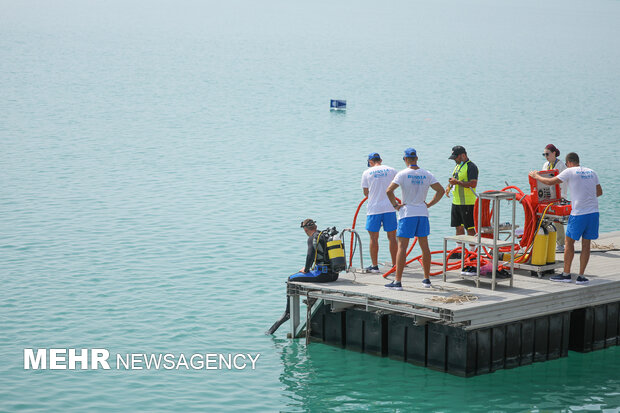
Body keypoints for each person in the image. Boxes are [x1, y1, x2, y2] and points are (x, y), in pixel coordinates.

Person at [529, 152, 603, 285]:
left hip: (578, 214)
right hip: (593, 213)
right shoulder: (592, 172)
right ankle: (581, 276)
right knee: (586, 245)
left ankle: (566, 274)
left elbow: (550, 181)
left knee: (569, 243)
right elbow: (599, 192)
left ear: (568, 163)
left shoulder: (569, 171)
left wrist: (536, 176)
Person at [385, 148, 444, 290]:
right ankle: (426, 280)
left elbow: (389, 190)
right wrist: (429, 204)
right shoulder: (427, 174)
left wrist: (395, 205)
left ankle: (398, 281)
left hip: (407, 214)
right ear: (416, 158)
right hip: (422, 213)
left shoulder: (402, 174)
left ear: (405, 159)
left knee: (402, 247)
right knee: (425, 247)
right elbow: (441, 191)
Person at [361, 152, 398, 273]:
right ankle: (395, 265)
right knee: (392, 237)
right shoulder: (391, 170)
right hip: (390, 207)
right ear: (380, 160)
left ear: (370, 162)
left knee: (373, 237)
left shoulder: (367, 172)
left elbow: (366, 193)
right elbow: (398, 185)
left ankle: (375, 266)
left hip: (374, 209)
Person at [445, 146, 479, 256]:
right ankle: (458, 250)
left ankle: (472, 252)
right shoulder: (458, 165)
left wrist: (457, 182)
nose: (455, 159)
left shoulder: (471, 167)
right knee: (458, 227)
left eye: (456, 157)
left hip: (468, 203)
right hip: (456, 202)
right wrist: (449, 186)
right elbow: (454, 179)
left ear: (463, 155)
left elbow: (473, 184)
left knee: (469, 228)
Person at [541, 144, 567, 252]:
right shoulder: (545, 164)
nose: (546, 156)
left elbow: (564, 182)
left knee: (557, 220)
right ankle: (547, 241)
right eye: (544, 154)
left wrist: (561, 197)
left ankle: (560, 244)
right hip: (547, 196)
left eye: (547, 154)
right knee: (545, 219)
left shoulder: (561, 166)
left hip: (559, 196)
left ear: (554, 153)